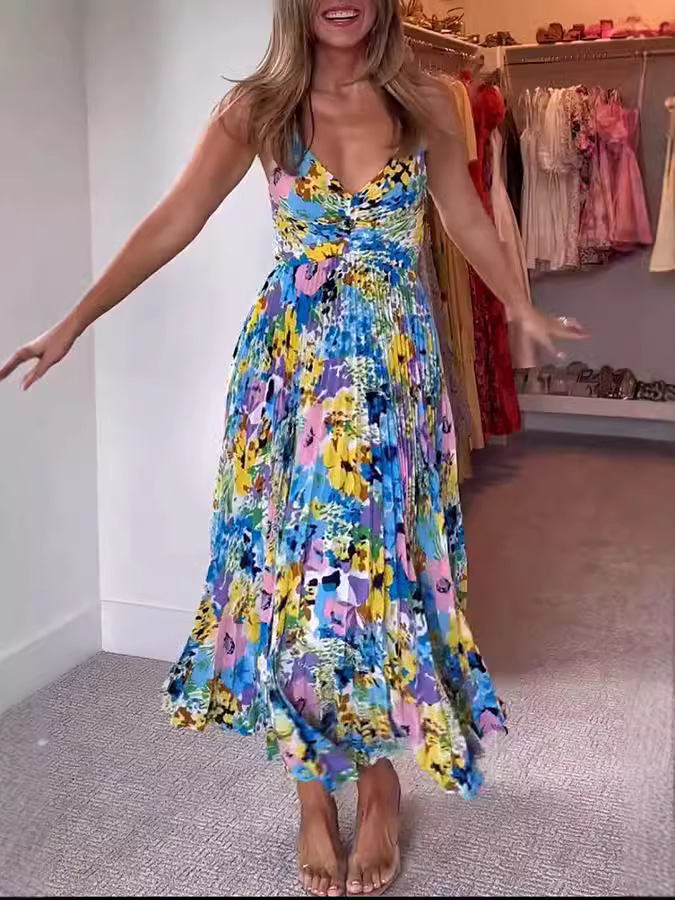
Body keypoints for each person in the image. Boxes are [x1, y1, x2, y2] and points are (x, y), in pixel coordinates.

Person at [0, 1, 587, 896]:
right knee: (294, 576)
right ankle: (312, 789)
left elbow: (465, 216)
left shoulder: (428, 100)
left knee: (378, 577)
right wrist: (73, 321)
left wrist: (519, 304)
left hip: (391, 375)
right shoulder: (258, 108)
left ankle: (379, 780)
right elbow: (174, 219)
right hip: (291, 376)